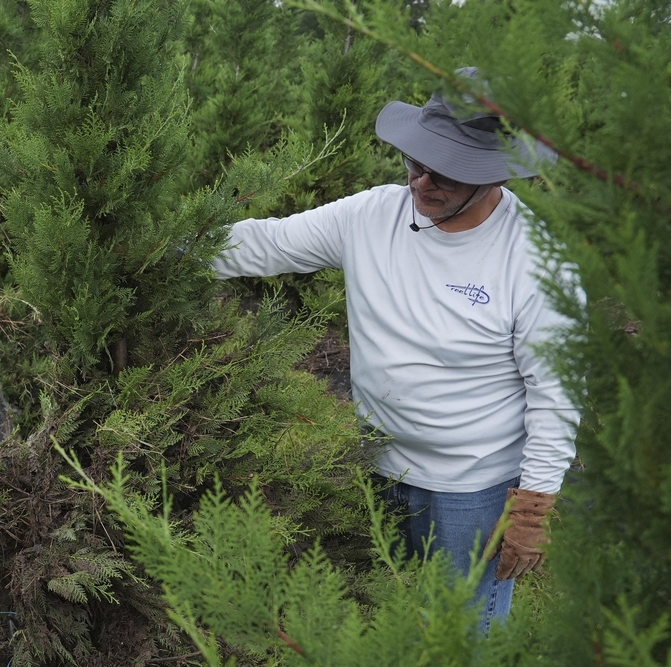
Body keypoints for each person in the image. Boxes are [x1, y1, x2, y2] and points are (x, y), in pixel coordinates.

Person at [211, 69, 578, 633]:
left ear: (492, 175)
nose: (422, 182)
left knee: (462, 641)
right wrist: (165, 245)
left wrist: (533, 509)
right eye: (414, 162)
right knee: (391, 622)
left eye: (446, 172)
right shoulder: (372, 216)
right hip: (377, 464)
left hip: (472, 490)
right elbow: (267, 243)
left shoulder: (533, 261)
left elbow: (555, 397)